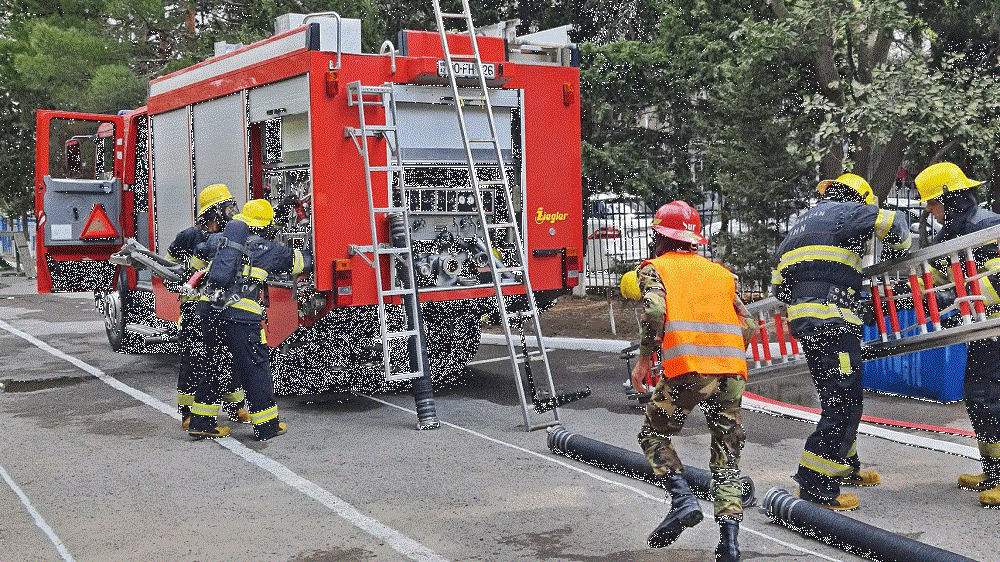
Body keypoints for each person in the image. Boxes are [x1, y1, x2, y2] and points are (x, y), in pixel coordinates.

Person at [772, 173, 912, 510]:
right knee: (844, 404)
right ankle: (817, 486)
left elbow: (779, 288)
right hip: (833, 321)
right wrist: (898, 254)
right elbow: (896, 223)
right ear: (857, 197)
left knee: (837, 398)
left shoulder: (796, 228)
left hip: (807, 323)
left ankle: (846, 467)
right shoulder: (849, 212)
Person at [630, 200, 755, 562]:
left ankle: (682, 500)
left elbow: (655, 311)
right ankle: (729, 546)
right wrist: (725, 353)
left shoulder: (655, 269)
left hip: (687, 370)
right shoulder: (721, 274)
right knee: (727, 461)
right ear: (694, 240)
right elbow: (748, 325)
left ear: (658, 236)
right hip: (730, 373)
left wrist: (643, 360)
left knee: (653, 435)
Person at [187, 199, 311, 441]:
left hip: (209, 311)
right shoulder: (270, 249)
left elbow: (198, 256)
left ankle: (201, 423)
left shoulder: (219, 240)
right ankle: (267, 427)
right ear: (265, 228)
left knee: (215, 367)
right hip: (241, 317)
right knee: (255, 369)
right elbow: (303, 262)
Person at [914, 161, 1000, 509]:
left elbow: (999, 280)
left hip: (995, 325)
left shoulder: (988, 227)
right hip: (982, 328)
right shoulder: (949, 234)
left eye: (932, 204)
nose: (930, 212)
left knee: (986, 397)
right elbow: (931, 279)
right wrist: (894, 295)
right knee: (979, 397)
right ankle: (993, 472)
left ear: (950, 200)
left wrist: (955, 299)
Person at [165, 183, 250, 430]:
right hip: (194, 311)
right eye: (228, 207)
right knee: (193, 357)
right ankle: (188, 413)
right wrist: (178, 280)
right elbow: (169, 270)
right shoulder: (189, 237)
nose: (233, 212)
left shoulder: (233, 235)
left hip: (223, 307)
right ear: (214, 212)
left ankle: (235, 406)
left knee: (228, 356)